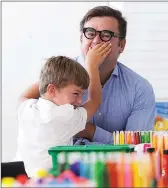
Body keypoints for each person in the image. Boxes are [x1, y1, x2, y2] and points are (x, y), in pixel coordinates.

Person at [17, 6, 155, 146]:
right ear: (81, 38)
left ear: (122, 45)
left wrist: (89, 130)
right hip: (59, 164)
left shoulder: (140, 89)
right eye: (90, 33)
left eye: (106, 35)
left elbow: (136, 147)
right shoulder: (60, 73)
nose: (96, 41)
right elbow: (24, 100)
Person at [16, 43, 111, 177]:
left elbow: (23, 96)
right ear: (52, 90)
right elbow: (94, 101)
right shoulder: (63, 116)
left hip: (24, 179)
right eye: (76, 93)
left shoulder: (27, 108)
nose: (79, 101)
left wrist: (52, 75)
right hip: (52, 181)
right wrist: (92, 65)